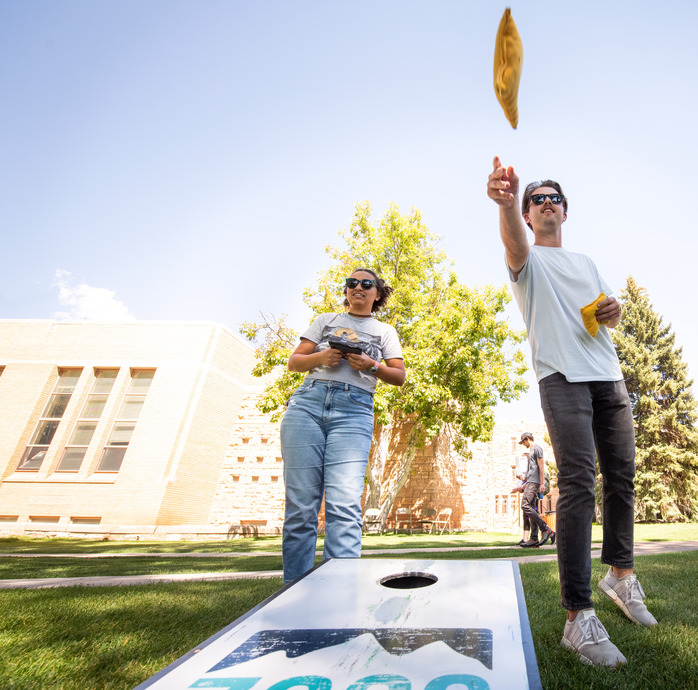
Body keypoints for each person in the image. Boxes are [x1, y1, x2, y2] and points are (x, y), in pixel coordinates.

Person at [487, 157, 656, 667]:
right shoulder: (527, 260)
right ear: (527, 213)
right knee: (580, 481)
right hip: (560, 376)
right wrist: (503, 203)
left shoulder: (584, 262)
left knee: (621, 476)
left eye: (553, 197)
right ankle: (577, 618)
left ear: (565, 210)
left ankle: (621, 577)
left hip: (608, 375)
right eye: (534, 199)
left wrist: (615, 310)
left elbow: (608, 310)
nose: (545, 203)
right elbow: (513, 242)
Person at [280, 268, 405, 584]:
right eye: (352, 283)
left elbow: (399, 376)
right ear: (347, 290)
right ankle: (293, 592)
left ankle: (338, 594)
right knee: (300, 508)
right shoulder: (325, 321)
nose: (358, 287)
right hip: (307, 404)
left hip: (353, 410)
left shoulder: (384, 331)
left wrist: (371, 365)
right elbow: (295, 363)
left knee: (344, 506)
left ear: (377, 294)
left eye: (367, 284)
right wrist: (322, 357)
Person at [519, 432, 554, 548]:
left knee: (525, 504)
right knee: (532, 507)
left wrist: (542, 483)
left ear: (527, 439)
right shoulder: (531, 452)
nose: (523, 444)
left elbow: (541, 465)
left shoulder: (537, 448)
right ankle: (534, 538)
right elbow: (532, 471)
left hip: (535, 483)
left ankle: (545, 528)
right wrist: (523, 479)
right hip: (531, 481)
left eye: (523, 441)